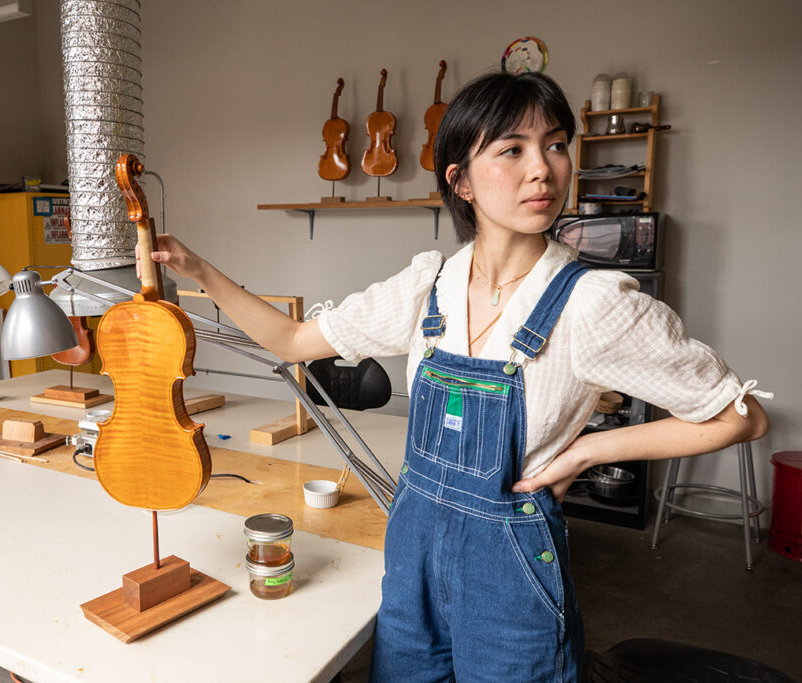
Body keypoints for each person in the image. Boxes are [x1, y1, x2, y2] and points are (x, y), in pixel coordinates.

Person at [146, 72, 770, 682]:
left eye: (556, 145)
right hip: (413, 553)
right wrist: (198, 268)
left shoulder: (593, 303)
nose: (543, 169)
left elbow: (740, 416)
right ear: (461, 181)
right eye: (512, 150)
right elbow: (292, 339)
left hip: (513, 571)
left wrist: (590, 448)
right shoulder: (429, 287)